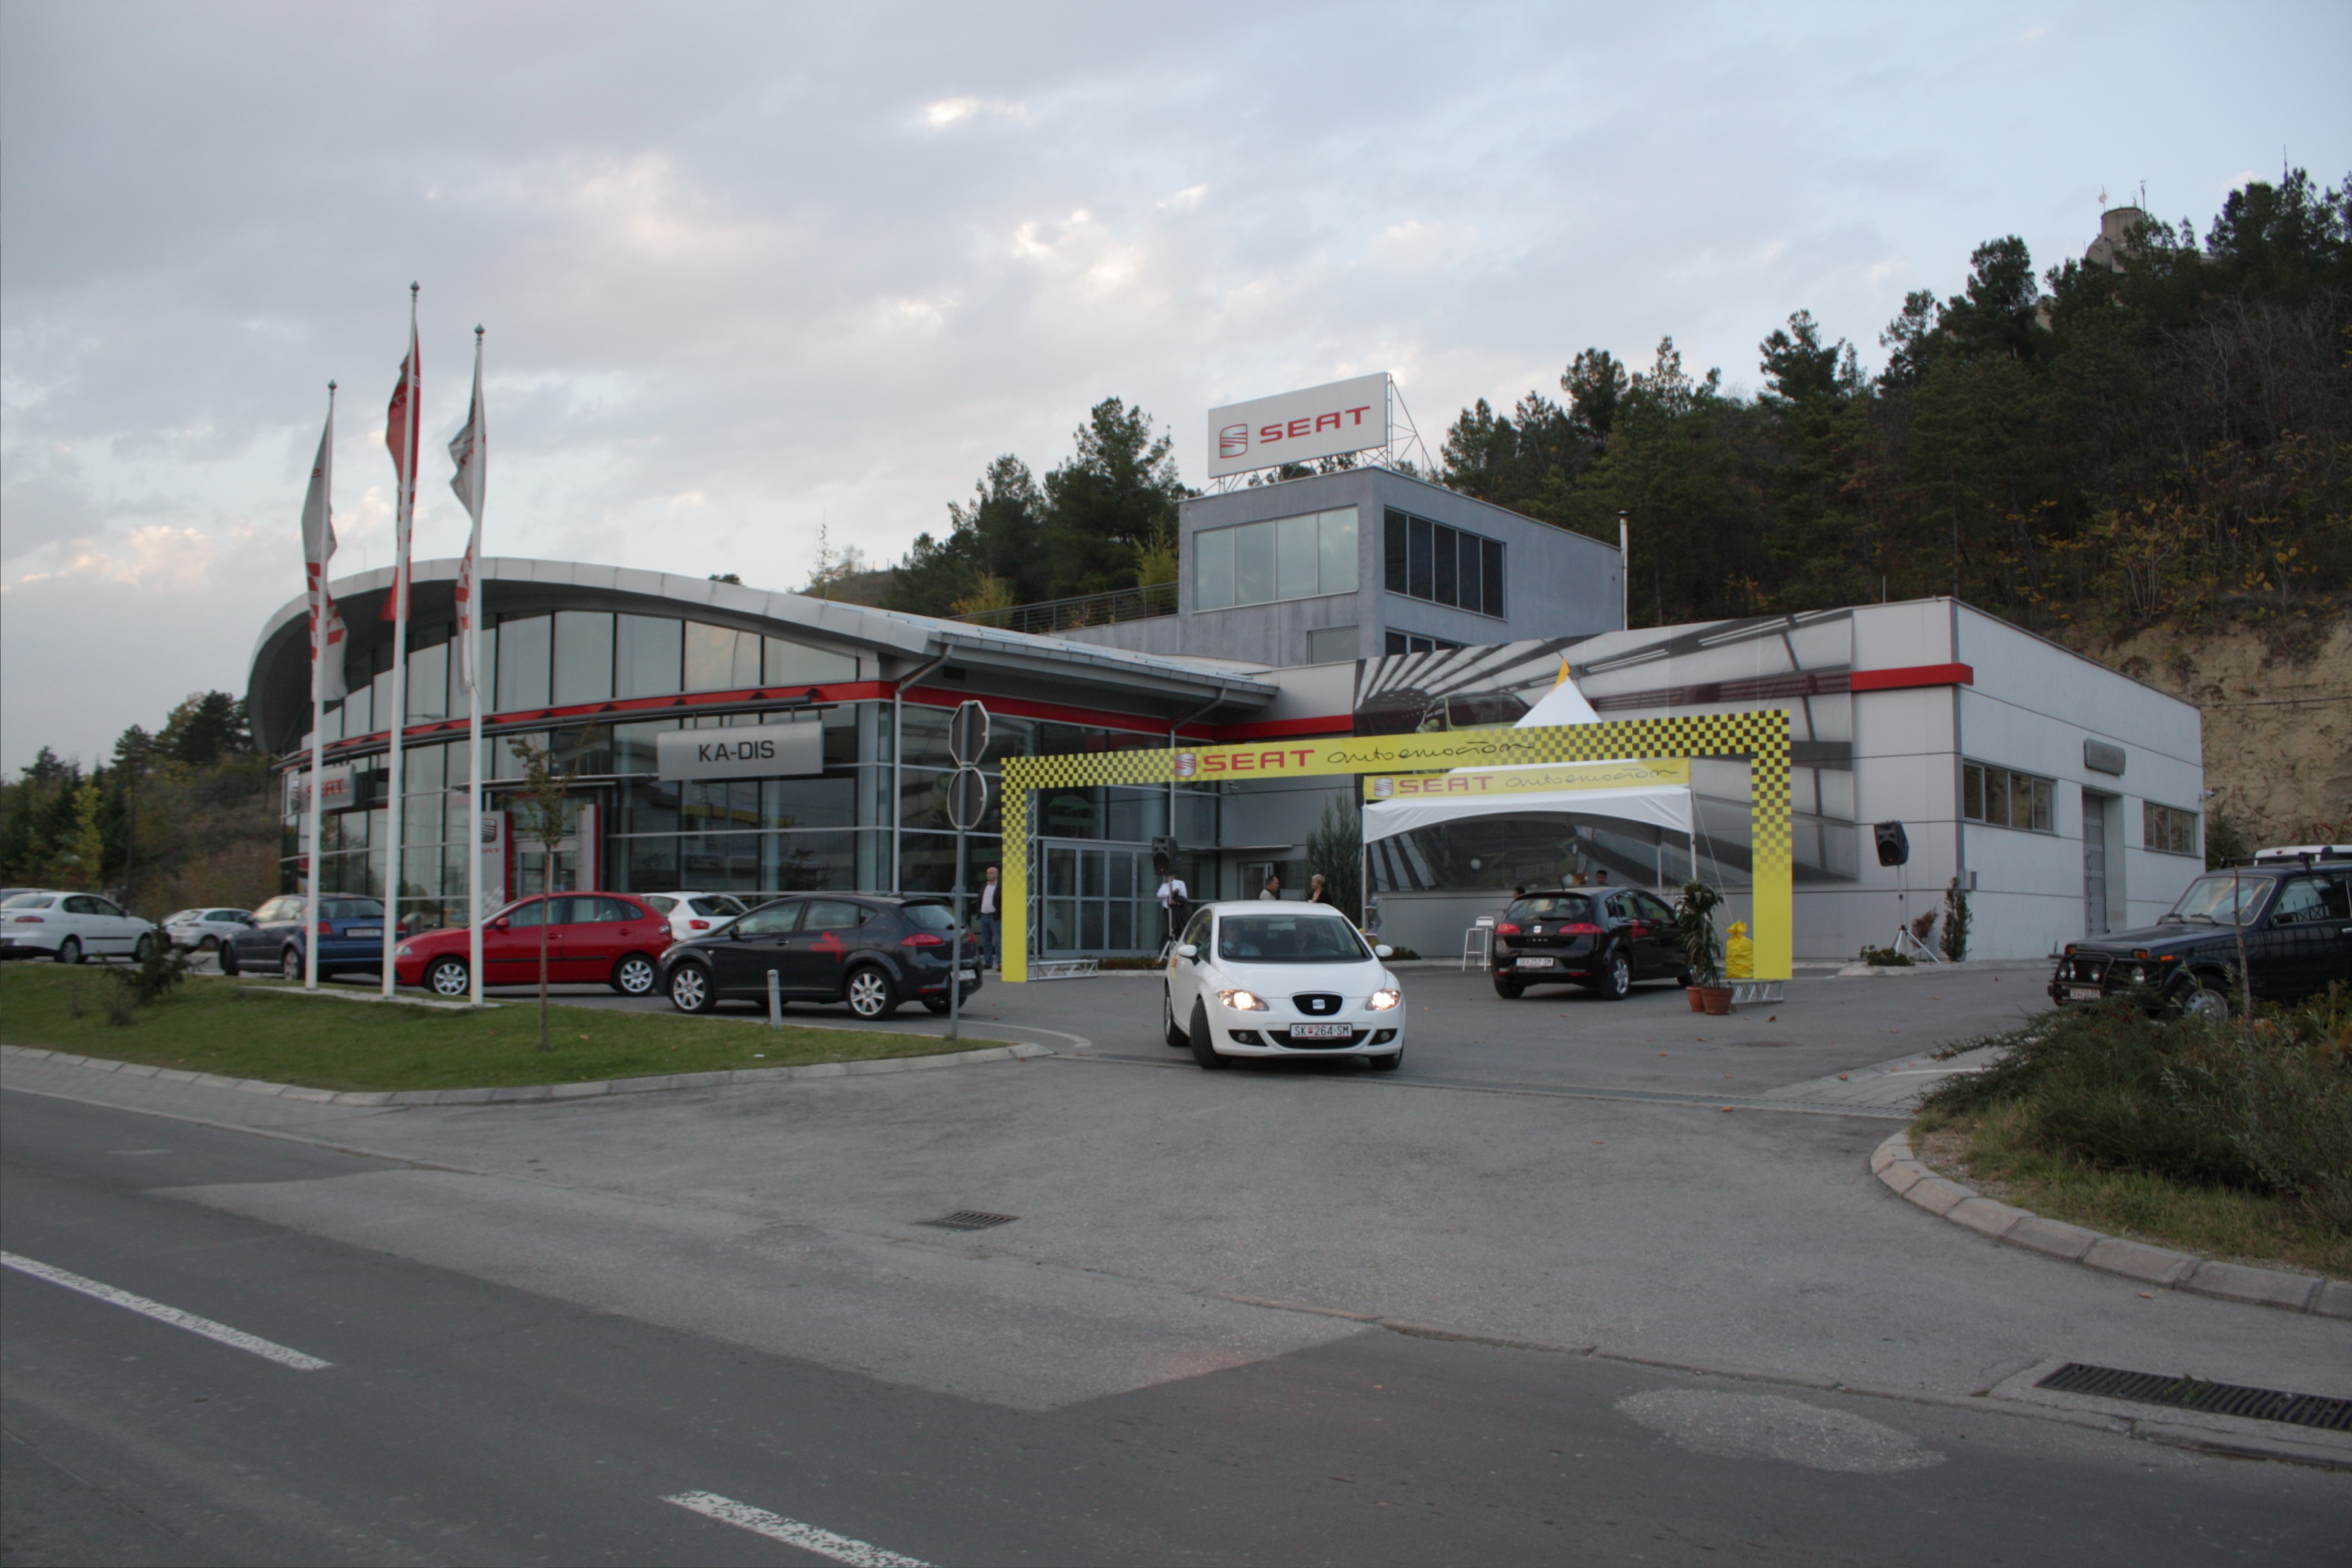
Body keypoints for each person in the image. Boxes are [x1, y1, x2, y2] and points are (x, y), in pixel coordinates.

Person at [975, 865, 1001, 970]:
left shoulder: (999, 887)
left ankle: (1000, 963)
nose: (988, 875)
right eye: (987, 873)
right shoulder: (984, 886)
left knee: (998, 941)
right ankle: (988, 962)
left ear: (996, 874)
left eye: (991, 873)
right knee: (986, 942)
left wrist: (998, 914)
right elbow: (980, 899)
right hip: (984, 916)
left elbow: (1001, 901)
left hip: (994, 917)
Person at [1157, 867, 1190, 943]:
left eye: (1170, 875)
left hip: (1178, 910)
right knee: (1167, 931)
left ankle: (1179, 944)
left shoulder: (1180, 883)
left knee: (1180, 929)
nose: (1168, 877)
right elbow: (1159, 895)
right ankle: (1166, 947)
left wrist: (1176, 902)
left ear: (1173, 875)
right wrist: (1171, 893)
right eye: (1167, 876)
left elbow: (1184, 898)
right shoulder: (1164, 885)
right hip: (1168, 911)